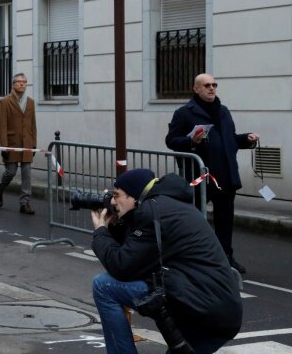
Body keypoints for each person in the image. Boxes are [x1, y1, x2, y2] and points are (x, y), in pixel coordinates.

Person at [91, 168, 242, 354]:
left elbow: (121, 266)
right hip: (215, 309)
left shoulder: (152, 213)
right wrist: (116, 225)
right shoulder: (166, 205)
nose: (113, 202)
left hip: (201, 308)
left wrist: (100, 232)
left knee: (103, 286)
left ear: (135, 197)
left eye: (117, 195)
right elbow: (139, 252)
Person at [165, 73, 259, 274]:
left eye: (214, 84)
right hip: (199, 176)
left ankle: (226, 258)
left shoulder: (223, 111)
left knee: (225, 222)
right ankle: (195, 258)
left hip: (225, 176)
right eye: (206, 85)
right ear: (196, 88)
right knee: (196, 221)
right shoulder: (184, 113)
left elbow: (229, 139)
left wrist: (246, 139)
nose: (211, 88)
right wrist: (191, 141)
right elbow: (171, 140)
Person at [0, 73, 37, 215]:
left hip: (27, 143)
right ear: (13, 84)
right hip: (11, 143)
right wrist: (4, 146)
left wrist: (34, 143)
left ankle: (25, 203)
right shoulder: (5, 102)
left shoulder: (30, 102)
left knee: (27, 173)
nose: (22, 84)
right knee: (10, 172)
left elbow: (32, 124)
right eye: (19, 82)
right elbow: (2, 126)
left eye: (24, 82)